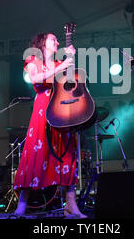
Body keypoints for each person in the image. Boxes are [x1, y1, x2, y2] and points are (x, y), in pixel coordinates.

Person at [13, 32, 87, 218]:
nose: (57, 42)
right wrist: (61, 65)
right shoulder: (33, 58)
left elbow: (69, 86)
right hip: (42, 112)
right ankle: (21, 205)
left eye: (57, 39)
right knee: (35, 154)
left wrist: (69, 62)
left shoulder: (57, 64)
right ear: (42, 42)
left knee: (66, 155)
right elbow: (36, 79)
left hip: (61, 111)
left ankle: (71, 206)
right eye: (53, 39)